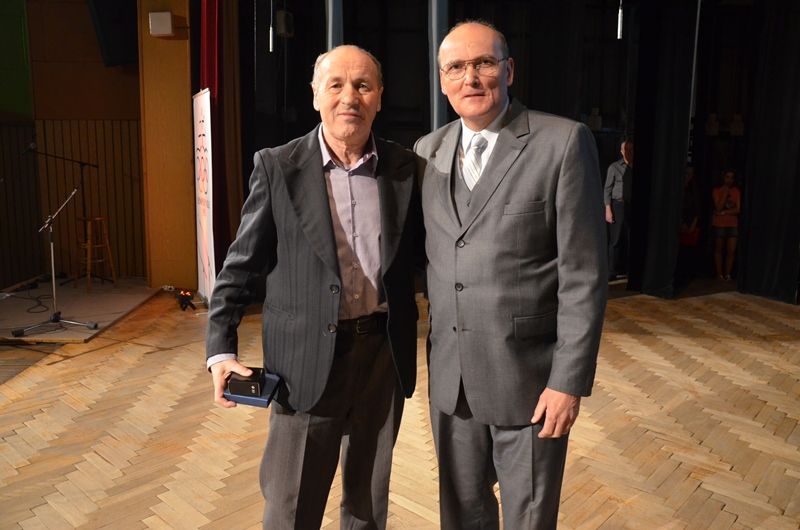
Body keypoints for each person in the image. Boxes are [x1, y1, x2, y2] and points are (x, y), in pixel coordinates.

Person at [205, 44, 423, 529]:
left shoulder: (404, 168)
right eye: (336, 85)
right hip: (305, 362)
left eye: (363, 85)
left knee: (367, 506)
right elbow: (241, 265)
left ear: (379, 96)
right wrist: (220, 350)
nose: (350, 97)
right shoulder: (278, 166)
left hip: (382, 357)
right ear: (315, 95)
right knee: (291, 510)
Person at [414, 21, 607, 529]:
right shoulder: (427, 152)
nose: (471, 78)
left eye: (484, 63)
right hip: (452, 384)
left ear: (509, 70)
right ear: (441, 79)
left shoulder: (562, 142)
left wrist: (568, 382)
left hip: (531, 384)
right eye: (456, 67)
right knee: (462, 517)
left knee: (529, 519)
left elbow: (584, 276)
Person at [604, 138, 634, 280]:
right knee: (615, 240)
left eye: (631, 149)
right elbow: (607, 190)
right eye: (626, 149)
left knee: (630, 239)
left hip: (632, 207)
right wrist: (608, 209)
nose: (628, 152)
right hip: (618, 206)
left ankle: (628, 270)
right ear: (621, 151)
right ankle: (611, 271)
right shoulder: (614, 167)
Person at [712, 169, 741, 281]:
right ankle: (719, 274)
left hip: (732, 224)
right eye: (727, 177)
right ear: (723, 178)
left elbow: (737, 209)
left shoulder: (736, 191)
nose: (730, 180)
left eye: (732, 177)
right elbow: (718, 207)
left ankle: (728, 274)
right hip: (719, 223)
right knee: (719, 249)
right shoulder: (716, 190)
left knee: (731, 250)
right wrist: (725, 192)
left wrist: (724, 213)